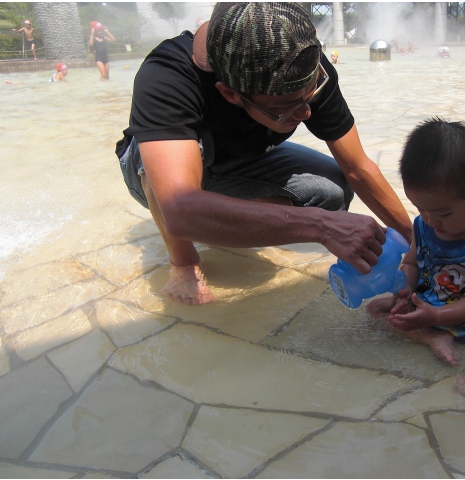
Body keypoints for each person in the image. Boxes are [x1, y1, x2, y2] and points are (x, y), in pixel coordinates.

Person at [115, 2, 413, 305]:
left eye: (310, 94)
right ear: (230, 94)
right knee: (158, 164)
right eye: (287, 107)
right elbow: (179, 208)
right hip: (161, 174)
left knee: (332, 194)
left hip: (239, 164)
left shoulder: (301, 63)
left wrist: (419, 243)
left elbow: (358, 167)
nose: (307, 110)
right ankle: (184, 262)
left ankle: (221, 216)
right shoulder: (168, 76)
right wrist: (321, 226)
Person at [366, 118, 465, 420]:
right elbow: (412, 261)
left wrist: (438, 315)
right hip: (428, 302)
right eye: (419, 209)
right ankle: (430, 337)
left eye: (442, 213)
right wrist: (406, 289)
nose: (429, 220)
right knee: (376, 308)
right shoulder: (425, 224)